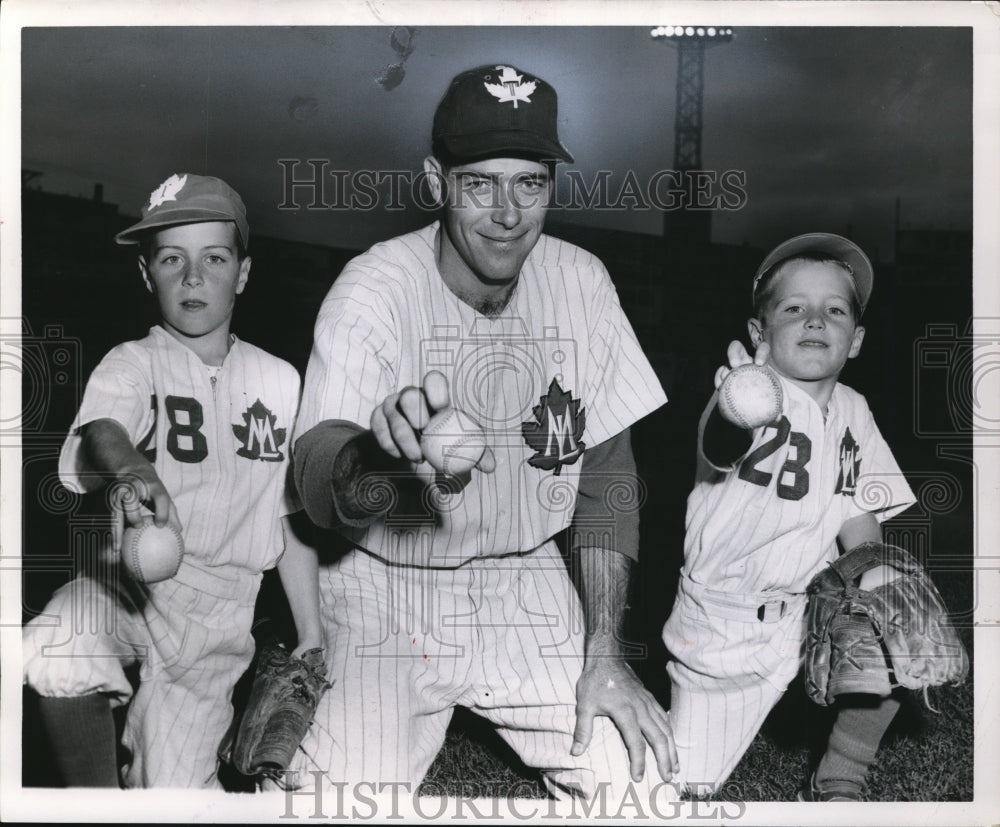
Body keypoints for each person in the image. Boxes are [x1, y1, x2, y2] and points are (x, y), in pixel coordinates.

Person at [290, 64, 677, 802]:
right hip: (384, 587)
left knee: (643, 789)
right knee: (337, 800)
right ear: (437, 181)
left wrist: (604, 652)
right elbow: (311, 478)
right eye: (480, 183)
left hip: (523, 584)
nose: (507, 212)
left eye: (529, 183)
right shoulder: (374, 288)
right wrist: (367, 460)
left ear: (552, 186)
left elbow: (606, 476)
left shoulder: (583, 282)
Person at [22, 174, 322, 789]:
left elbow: (288, 518)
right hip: (128, 586)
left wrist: (312, 631)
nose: (192, 277)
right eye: (171, 258)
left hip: (220, 622)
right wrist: (132, 467)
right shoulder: (134, 361)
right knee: (56, 640)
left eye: (214, 258)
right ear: (145, 274)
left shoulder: (280, 381)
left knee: (171, 793)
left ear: (241, 273)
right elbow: (104, 428)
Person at [661, 233, 916, 801]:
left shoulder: (855, 409)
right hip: (723, 623)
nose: (816, 320)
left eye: (835, 310)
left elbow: (860, 514)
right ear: (759, 334)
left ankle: (840, 778)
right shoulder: (749, 388)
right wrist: (737, 399)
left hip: (808, 615)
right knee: (673, 793)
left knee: (897, 619)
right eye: (794, 308)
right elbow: (723, 439)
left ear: (856, 340)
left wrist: (876, 582)